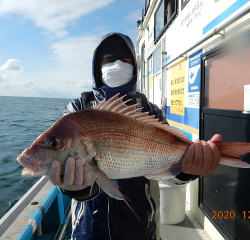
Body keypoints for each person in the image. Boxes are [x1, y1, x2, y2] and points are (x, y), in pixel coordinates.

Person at [49, 32, 221, 240]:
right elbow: (59, 154)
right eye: (109, 60)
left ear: (135, 68)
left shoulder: (150, 110)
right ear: (97, 68)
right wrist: (74, 188)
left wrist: (187, 171)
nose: (118, 65)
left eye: (125, 60)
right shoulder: (78, 108)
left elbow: (169, 176)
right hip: (90, 230)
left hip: (142, 228)